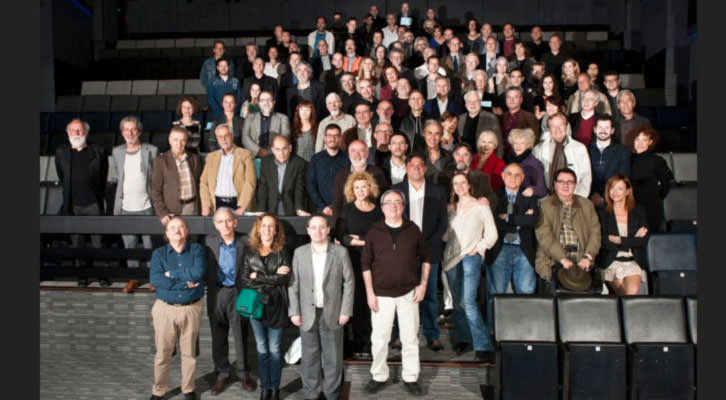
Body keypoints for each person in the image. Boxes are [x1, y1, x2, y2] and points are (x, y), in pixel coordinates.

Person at [362, 189, 431, 396]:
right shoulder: (374, 231)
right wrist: (370, 293)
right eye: (389, 202)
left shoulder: (413, 229)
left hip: (408, 293)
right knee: (380, 339)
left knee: (410, 339)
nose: (393, 206)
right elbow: (365, 265)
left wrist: (423, 284)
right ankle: (379, 375)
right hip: (380, 295)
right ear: (382, 208)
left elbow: (427, 258)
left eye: (397, 202)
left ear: (403, 206)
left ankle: (410, 377)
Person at [289, 214, 355, 400]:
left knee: (333, 358)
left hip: (333, 312)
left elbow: (349, 282)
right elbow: (293, 284)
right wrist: (294, 311)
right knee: (310, 358)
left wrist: (345, 310)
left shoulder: (340, 252)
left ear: (327, 230)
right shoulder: (299, 253)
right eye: (314, 227)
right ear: (308, 230)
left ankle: (331, 393)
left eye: (322, 227)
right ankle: (312, 393)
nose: (318, 231)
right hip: (307, 313)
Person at [392, 154, 449, 352]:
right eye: (412, 165)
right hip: (403, 253)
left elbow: (443, 223)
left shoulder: (437, 191)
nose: (416, 169)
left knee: (430, 296)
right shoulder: (396, 191)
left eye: (420, 166)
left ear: (425, 169)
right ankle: (400, 336)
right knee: (403, 296)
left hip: (429, 251)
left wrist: (426, 244)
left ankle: (432, 335)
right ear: (406, 168)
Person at [441, 172, 498, 362]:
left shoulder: (481, 206)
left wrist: (478, 248)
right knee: (457, 303)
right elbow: (445, 237)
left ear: (469, 185)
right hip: (451, 258)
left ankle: (483, 345)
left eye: (462, 183)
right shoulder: (450, 208)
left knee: (468, 302)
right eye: (455, 183)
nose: (459, 186)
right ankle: (464, 339)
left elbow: (491, 235)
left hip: (470, 257)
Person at [148, 217, 206, 400]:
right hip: (165, 309)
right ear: (166, 234)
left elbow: (198, 273)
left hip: (191, 308)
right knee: (163, 353)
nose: (177, 230)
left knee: (188, 353)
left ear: (187, 231)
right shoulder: (159, 254)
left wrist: (172, 275)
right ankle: (159, 390)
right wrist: (184, 283)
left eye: (181, 227)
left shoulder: (197, 250)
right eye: (172, 227)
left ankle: (188, 389)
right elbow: (156, 280)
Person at [204, 208, 256, 395]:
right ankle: (221, 375)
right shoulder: (208, 242)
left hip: (238, 292)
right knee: (218, 337)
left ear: (235, 222)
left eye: (228, 221)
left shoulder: (246, 241)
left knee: (241, 335)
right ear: (215, 224)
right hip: (217, 293)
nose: (225, 225)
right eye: (220, 222)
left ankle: (243, 373)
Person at [241, 214, 292, 400]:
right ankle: (265, 388)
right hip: (255, 304)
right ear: (258, 228)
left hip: (277, 305)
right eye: (264, 225)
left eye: (271, 226)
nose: (267, 229)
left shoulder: (282, 251)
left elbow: (285, 279)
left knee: (275, 349)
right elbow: (246, 280)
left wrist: (259, 277)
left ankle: (275, 388)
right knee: (262, 349)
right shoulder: (249, 251)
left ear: (276, 230)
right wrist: (272, 276)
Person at [485, 164, 539, 336]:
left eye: (517, 175)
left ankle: (524, 333)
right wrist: (520, 220)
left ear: (523, 178)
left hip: (523, 251)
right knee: (496, 294)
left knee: (526, 293)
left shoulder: (529, 197)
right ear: (502, 175)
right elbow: (492, 221)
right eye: (509, 174)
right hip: (500, 249)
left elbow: (532, 222)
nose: (513, 178)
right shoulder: (494, 196)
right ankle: (494, 333)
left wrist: (508, 218)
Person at [334, 171, 383, 358]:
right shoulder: (347, 210)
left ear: (370, 188)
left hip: (374, 262)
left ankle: (371, 343)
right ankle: (356, 343)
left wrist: (360, 240)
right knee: (355, 301)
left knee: (371, 302)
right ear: (351, 190)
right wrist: (358, 241)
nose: (361, 190)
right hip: (352, 262)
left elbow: (380, 237)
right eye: (357, 187)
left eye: (364, 186)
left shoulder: (378, 211)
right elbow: (340, 236)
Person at [56, 118, 109, 287]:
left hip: (93, 202)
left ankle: (102, 275)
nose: (76, 133)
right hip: (73, 204)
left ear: (86, 132)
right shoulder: (61, 152)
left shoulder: (98, 150)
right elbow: (62, 177)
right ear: (67, 132)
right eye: (73, 130)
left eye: (79, 130)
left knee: (97, 242)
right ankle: (82, 275)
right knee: (77, 242)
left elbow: (103, 177)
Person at [109, 116, 158, 293]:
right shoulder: (116, 152)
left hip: (146, 206)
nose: (130, 133)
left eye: (133, 129)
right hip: (125, 208)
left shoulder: (151, 150)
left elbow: (155, 177)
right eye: (126, 130)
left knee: (149, 246)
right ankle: (133, 278)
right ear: (122, 132)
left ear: (139, 131)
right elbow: (118, 178)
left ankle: (153, 278)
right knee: (129, 246)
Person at [534, 167, 601, 290]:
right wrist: (562, 258)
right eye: (561, 182)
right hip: (554, 259)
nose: (565, 185)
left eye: (570, 182)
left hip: (582, 258)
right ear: (555, 184)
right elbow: (544, 237)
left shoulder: (586, 204)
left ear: (575, 185)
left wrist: (588, 257)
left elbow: (595, 233)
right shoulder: (545, 205)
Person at [597, 175, 649, 295]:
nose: (615, 192)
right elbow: (604, 242)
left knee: (631, 293)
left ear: (628, 191)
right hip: (611, 262)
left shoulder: (638, 211)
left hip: (633, 262)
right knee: (625, 295)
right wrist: (632, 240)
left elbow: (642, 241)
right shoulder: (602, 212)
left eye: (620, 188)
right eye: (612, 188)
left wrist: (617, 239)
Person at [199, 124, 257, 216]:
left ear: (232, 136)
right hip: (216, 204)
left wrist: (242, 205)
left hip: (238, 204)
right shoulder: (211, 157)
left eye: (226, 135)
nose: (223, 139)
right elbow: (203, 182)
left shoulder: (245, 155)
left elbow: (250, 181)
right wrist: (206, 204)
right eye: (220, 136)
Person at [151, 127, 203, 224]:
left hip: (192, 207)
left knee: (192, 237)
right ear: (170, 140)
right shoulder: (160, 161)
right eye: (175, 140)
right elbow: (155, 190)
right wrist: (162, 212)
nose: (179, 144)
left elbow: (201, 185)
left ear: (186, 141)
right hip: (171, 209)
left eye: (182, 140)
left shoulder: (195, 159)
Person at [533, 112, 592, 197]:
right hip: (547, 200)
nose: (557, 129)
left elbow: (586, 177)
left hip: (574, 198)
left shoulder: (580, 148)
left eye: (560, 125)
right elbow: (535, 177)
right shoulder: (539, 149)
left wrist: (578, 199)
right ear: (549, 129)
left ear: (566, 126)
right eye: (553, 126)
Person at [628, 127, 673, 232]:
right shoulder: (627, 159)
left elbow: (666, 185)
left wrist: (656, 196)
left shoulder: (657, 161)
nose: (640, 143)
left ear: (650, 142)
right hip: (631, 204)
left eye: (644, 140)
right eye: (638, 139)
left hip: (651, 205)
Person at [331, 140, 388, 216]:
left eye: (361, 151)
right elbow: (337, 204)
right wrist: (337, 225)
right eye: (353, 151)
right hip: (347, 220)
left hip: (372, 219)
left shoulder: (378, 172)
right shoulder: (340, 175)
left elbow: (384, 199)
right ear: (349, 153)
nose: (357, 154)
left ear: (367, 154)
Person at [256, 135, 308, 216]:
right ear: (273, 150)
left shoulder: (299, 163)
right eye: (277, 149)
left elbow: (299, 189)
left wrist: (299, 209)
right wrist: (261, 210)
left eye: (284, 149)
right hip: (270, 207)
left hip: (291, 207)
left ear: (290, 148)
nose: (281, 153)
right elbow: (262, 188)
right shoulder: (266, 162)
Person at [435, 142, 498, 208]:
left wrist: (487, 200)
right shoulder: (441, 177)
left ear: (470, 158)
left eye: (465, 155)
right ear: (453, 156)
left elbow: (492, 197)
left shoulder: (482, 177)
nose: (461, 159)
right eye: (457, 154)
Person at [306, 124, 350, 215]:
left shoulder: (347, 158)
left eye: (336, 136)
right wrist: (323, 206)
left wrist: (341, 206)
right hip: (321, 209)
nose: (332, 139)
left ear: (340, 138)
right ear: (324, 138)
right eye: (329, 135)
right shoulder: (316, 159)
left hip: (344, 209)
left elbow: (351, 184)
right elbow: (310, 184)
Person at [588, 115, 631, 208]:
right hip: (588, 200)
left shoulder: (622, 151)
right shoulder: (586, 150)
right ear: (595, 129)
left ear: (612, 130)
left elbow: (623, 177)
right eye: (600, 127)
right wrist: (592, 195)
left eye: (606, 128)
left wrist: (604, 197)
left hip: (613, 200)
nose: (603, 131)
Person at [241, 91, 291, 159]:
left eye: (269, 100)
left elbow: (285, 138)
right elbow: (245, 137)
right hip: (253, 157)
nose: (266, 103)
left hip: (275, 157)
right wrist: (258, 150)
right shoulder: (250, 118)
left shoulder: (283, 118)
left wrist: (268, 152)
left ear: (274, 102)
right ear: (259, 103)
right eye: (263, 100)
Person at [499, 86, 541, 157]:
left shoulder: (529, 116)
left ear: (521, 100)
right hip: (502, 156)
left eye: (515, 97)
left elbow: (535, 139)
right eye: (509, 97)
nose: (511, 100)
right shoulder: (500, 117)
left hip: (521, 157)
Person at [458, 90, 503, 156]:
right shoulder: (460, 118)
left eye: (475, 101)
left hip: (484, 159)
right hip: (465, 159)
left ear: (480, 103)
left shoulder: (491, 118)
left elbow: (499, 144)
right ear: (466, 104)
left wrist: (498, 162)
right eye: (469, 101)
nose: (472, 104)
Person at [507, 128, 548, 198]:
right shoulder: (510, 160)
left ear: (528, 145)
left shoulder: (535, 164)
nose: (518, 146)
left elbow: (542, 190)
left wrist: (532, 190)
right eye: (515, 143)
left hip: (527, 201)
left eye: (522, 143)